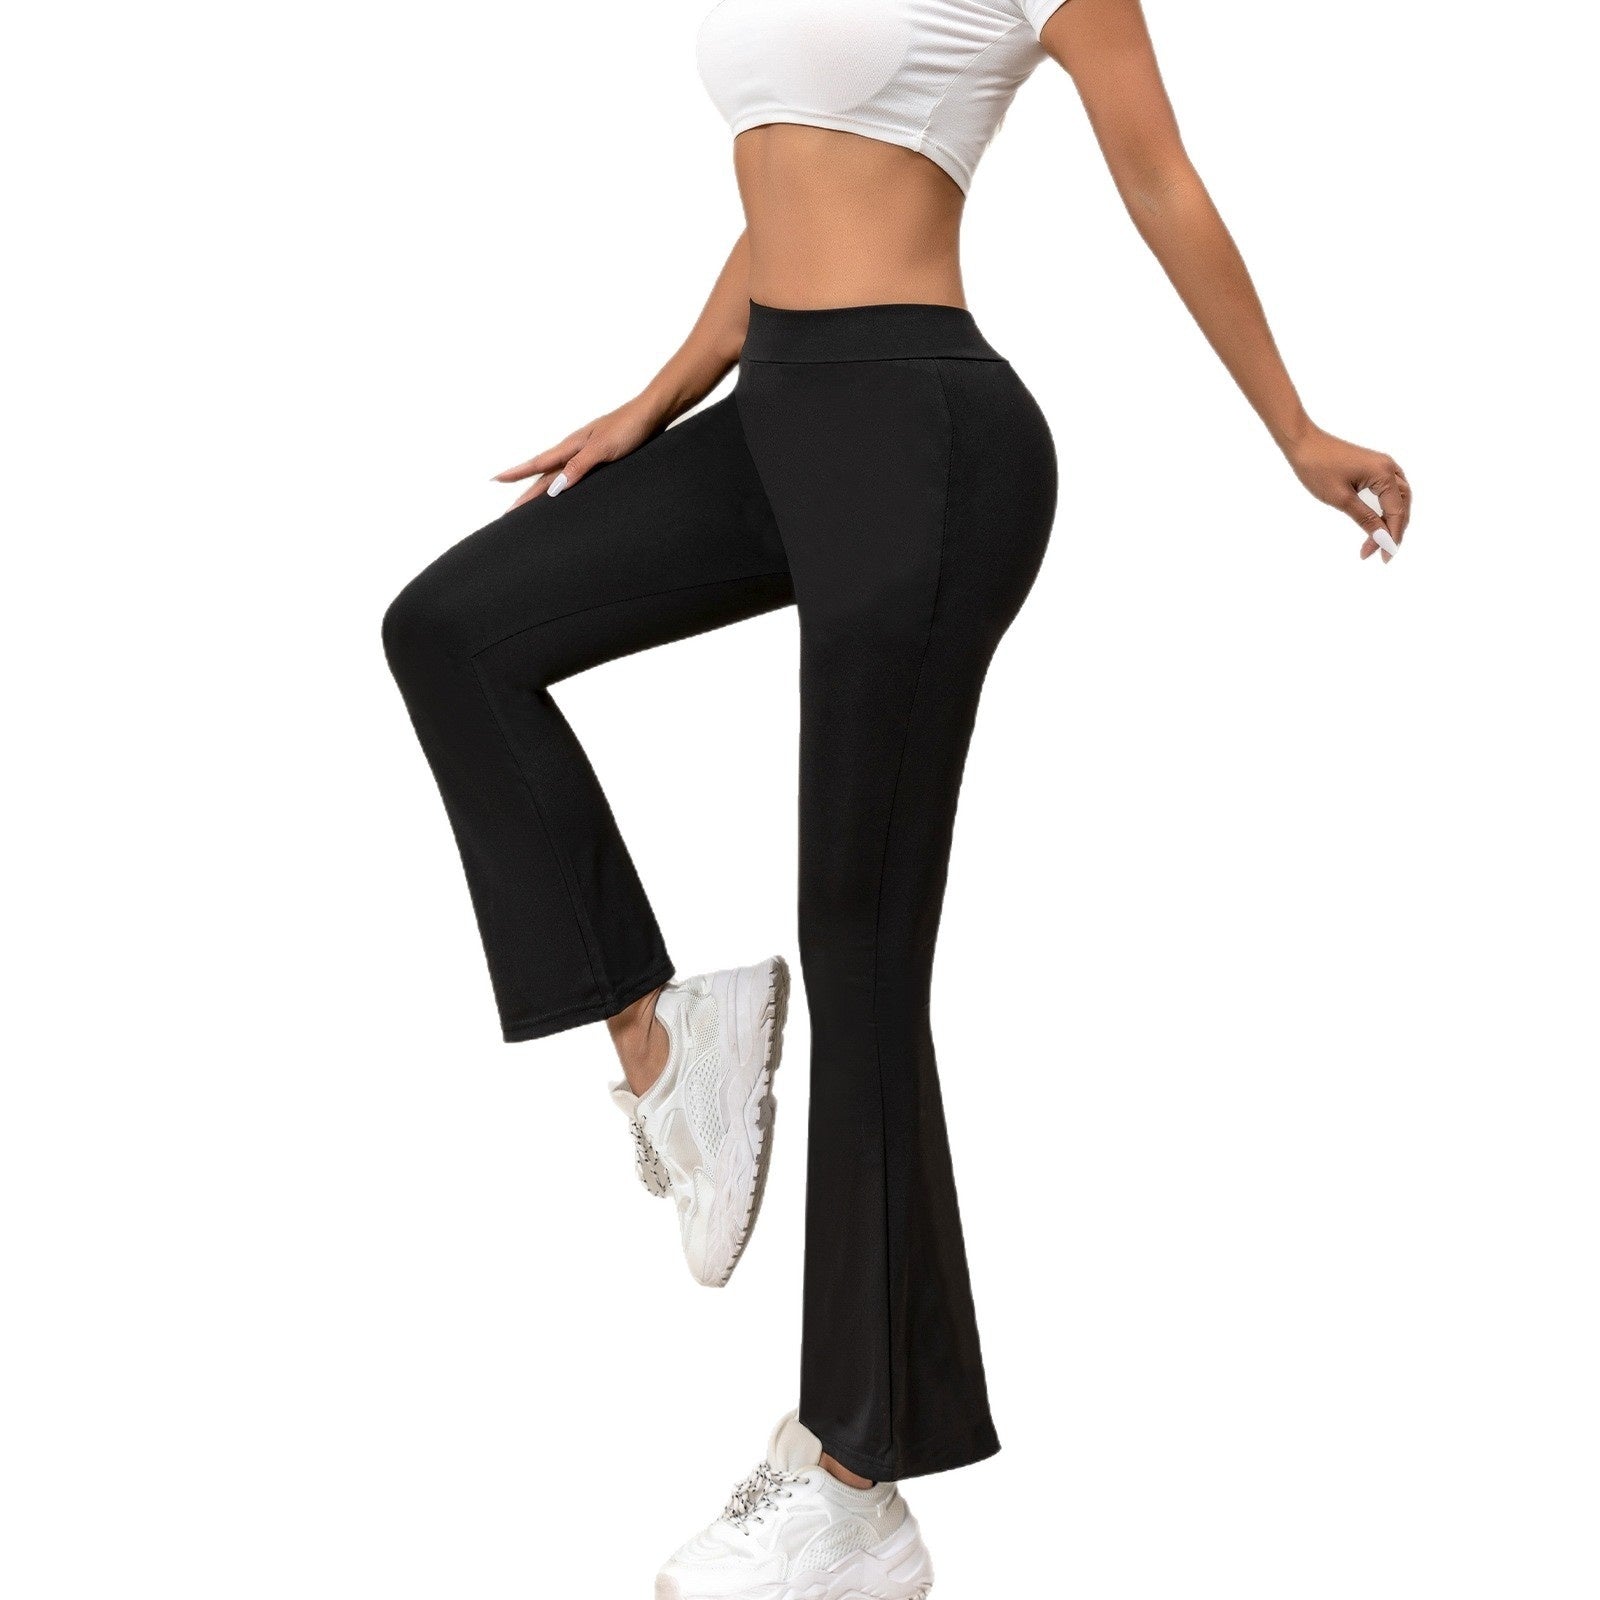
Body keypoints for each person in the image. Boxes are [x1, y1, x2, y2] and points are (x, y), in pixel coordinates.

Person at [382, 1, 1413, 1593]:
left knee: (861, 953)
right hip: (774, 417)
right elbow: (784, 195)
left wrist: (1293, 425)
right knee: (452, 631)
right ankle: (667, 1043)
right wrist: (658, 395)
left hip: (925, 433)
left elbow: (1159, 177)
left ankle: (854, 1479)